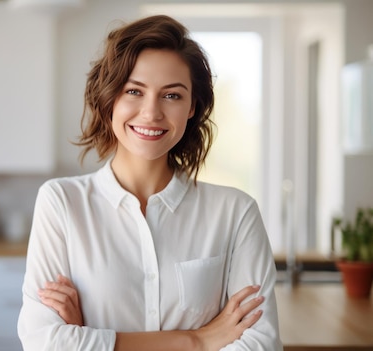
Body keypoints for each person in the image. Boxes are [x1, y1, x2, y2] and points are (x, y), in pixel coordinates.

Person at [17, 14, 282, 351]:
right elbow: (44, 343)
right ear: (110, 98)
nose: (151, 112)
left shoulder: (235, 212)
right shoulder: (61, 203)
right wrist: (196, 340)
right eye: (134, 91)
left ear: (191, 107)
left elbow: (260, 345)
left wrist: (89, 336)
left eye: (171, 95)